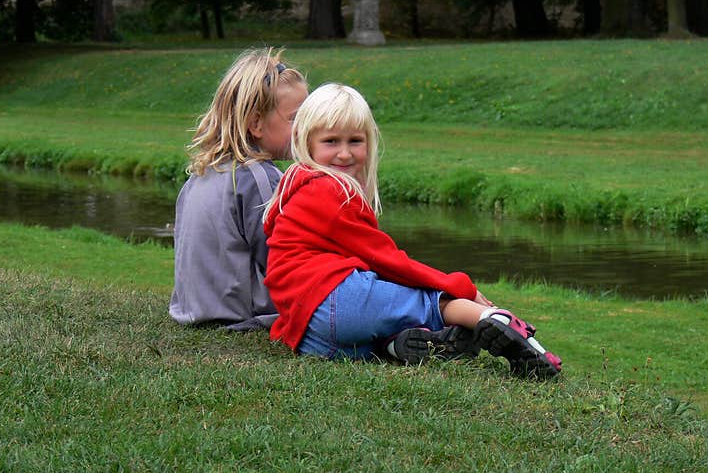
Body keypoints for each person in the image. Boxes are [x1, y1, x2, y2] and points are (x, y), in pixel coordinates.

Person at [262, 83, 562, 379]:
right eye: (331, 142)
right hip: (335, 299)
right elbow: (386, 260)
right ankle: (495, 319)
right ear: (305, 140)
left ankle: (398, 346)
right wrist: (460, 288)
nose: (344, 154)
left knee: (362, 343)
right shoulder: (330, 190)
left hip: (308, 324)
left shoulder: (294, 185)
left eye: (355, 141)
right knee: (428, 302)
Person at [169, 48, 308, 330]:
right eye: (296, 118)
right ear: (256, 123)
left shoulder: (202, 174)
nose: (308, 127)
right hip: (240, 317)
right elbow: (282, 264)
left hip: (194, 312)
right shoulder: (260, 178)